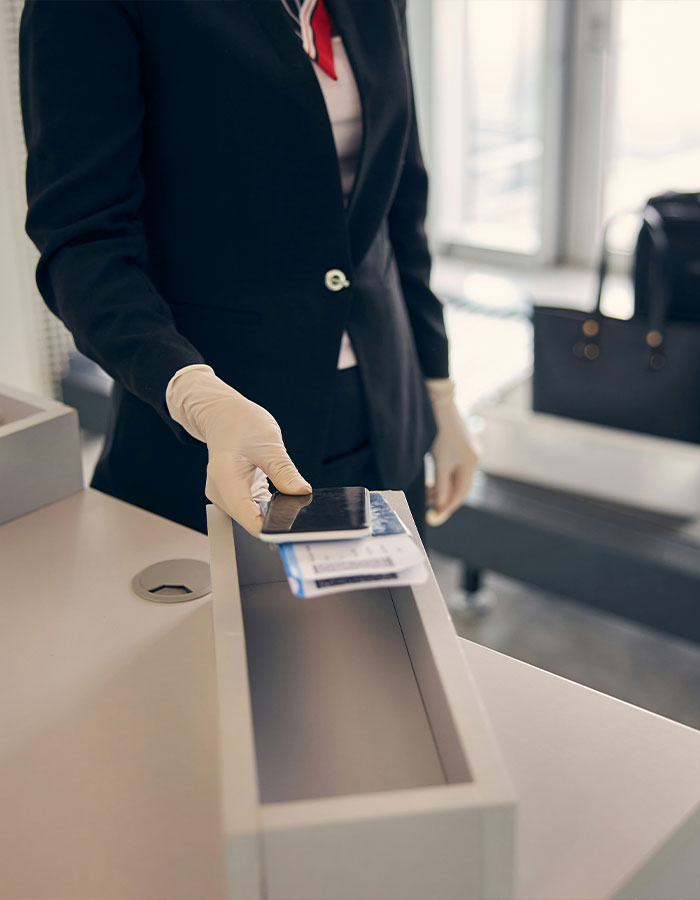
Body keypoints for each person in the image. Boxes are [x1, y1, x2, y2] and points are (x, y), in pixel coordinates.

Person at [19, 0, 478, 539]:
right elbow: (83, 240)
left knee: (384, 621)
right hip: (218, 431)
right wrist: (195, 394)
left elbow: (401, 198)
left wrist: (439, 393)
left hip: (382, 409)